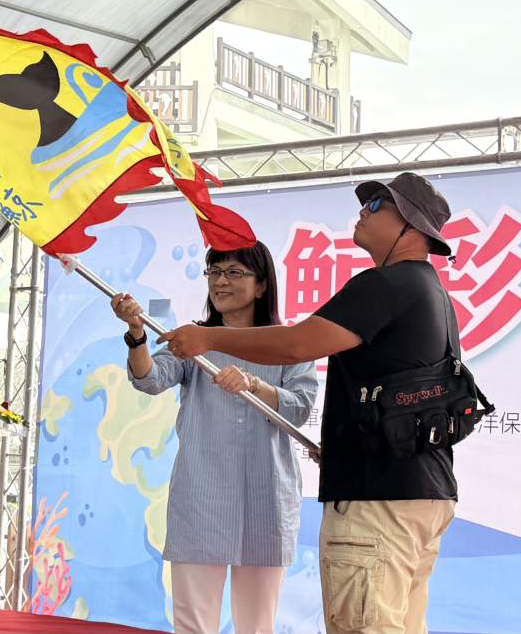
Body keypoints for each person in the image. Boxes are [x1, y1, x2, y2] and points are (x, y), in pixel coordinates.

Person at [159, 172, 461, 634]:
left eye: (376, 205)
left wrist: (209, 338)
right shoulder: (432, 292)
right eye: (215, 272)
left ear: (411, 227)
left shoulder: (385, 286)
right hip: (422, 490)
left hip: (378, 498)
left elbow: (296, 345)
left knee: (365, 626)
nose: (362, 211)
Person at [111, 241, 318, 634]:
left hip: (265, 497)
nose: (221, 282)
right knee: (193, 622)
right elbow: (150, 379)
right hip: (202, 496)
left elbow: (299, 408)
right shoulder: (195, 339)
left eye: (234, 272)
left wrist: (255, 385)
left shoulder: (287, 343)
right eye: (214, 272)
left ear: (262, 285)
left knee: (257, 625)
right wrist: (136, 334)